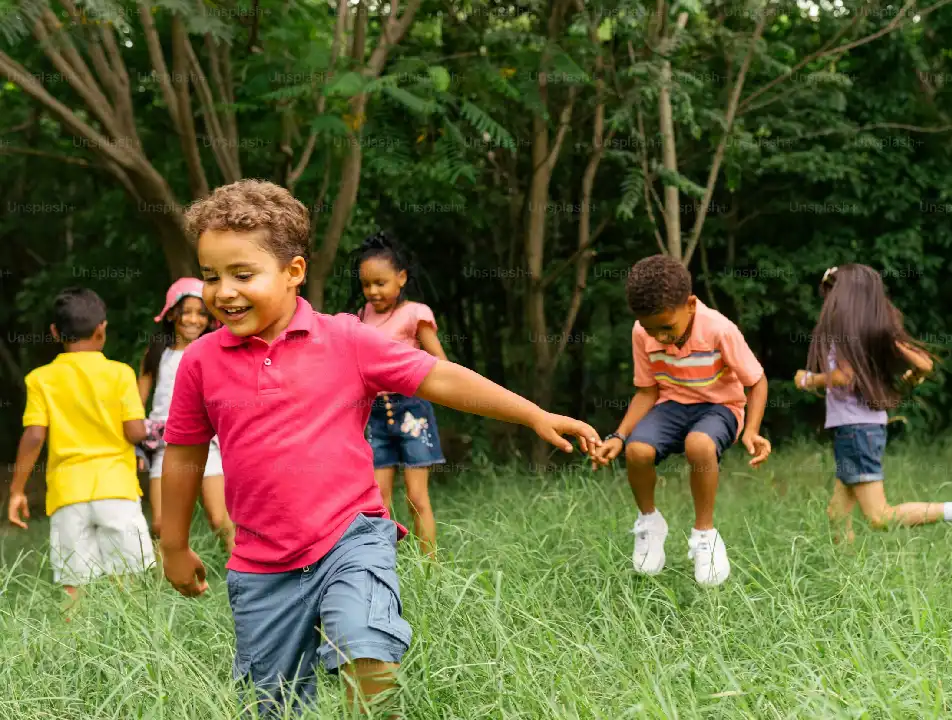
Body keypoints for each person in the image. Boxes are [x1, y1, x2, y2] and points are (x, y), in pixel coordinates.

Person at [159, 179, 599, 716]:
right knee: (268, 706)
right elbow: (183, 453)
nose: (223, 291)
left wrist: (534, 414)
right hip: (259, 567)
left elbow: (439, 379)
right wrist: (175, 544)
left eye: (242, 274)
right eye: (211, 277)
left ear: (294, 272)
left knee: (367, 654)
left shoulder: (346, 340)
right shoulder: (200, 362)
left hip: (351, 537)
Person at [590, 254, 770, 587]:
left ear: (690, 304)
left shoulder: (718, 329)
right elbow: (646, 392)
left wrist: (752, 430)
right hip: (671, 405)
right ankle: (650, 523)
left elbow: (756, 381)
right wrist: (618, 434)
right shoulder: (642, 333)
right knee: (636, 451)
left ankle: (705, 535)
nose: (659, 337)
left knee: (698, 444)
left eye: (666, 327)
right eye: (649, 329)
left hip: (720, 406)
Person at [795, 265, 952, 544]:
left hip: (855, 431)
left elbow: (843, 376)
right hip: (861, 429)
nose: (828, 302)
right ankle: (848, 581)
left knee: (880, 517)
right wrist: (912, 378)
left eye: (831, 293)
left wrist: (808, 380)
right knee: (837, 514)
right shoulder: (872, 330)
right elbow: (924, 363)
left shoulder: (847, 332)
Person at [7, 287, 154, 601]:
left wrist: (17, 490)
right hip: (117, 489)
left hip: (68, 494)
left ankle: (74, 642)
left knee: (75, 584)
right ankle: (129, 642)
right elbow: (134, 432)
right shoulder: (120, 374)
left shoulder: (41, 379)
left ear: (54, 332)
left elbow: (34, 435)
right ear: (102, 328)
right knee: (128, 579)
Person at [349, 231, 448, 557]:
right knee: (378, 498)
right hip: (374, 414)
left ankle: (431, 570)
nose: (373, 291)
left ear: (401, 278)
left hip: (412, 411)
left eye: (380, 282)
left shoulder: (415, 313)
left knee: (417, 497)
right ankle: (381, 565)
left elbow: (440, 363)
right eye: (367, 285)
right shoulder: (362, 317)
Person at [137, 277, 234, 552]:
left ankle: (243, 577)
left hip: (208, 443)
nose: (194, 319)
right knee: (160, 524)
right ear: (171, 313)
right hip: (165, 444)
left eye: (202, 313)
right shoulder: (156, 353)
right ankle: (162, 585)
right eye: (187, 311)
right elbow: (136, 402)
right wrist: (136, 446)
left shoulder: (214, 351)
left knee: (220, 519)